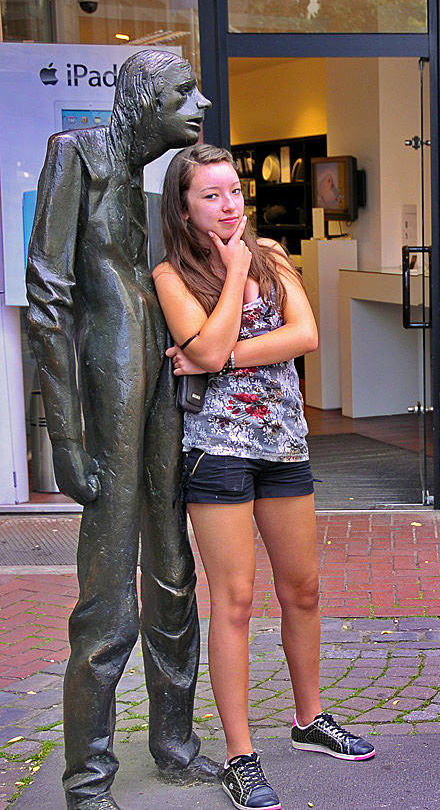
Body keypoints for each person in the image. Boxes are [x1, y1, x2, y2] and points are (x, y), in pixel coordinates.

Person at [152, 144, 374, 810]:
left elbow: (304, 335)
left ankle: (309, 720)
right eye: (211, 196)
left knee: (302, 588)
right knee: (237, 599)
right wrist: (233, 272)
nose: (229, 206)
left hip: (282, 444)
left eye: (233, 192)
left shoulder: (273, 254)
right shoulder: (170, 274)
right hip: (215, 452)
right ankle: (240, 755)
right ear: (184, 208)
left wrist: (217, 358)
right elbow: (210, 342)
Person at [25, 49, 217, 810]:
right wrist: (64, 438)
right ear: (142, 102)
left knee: (172, 567)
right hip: (108, 406)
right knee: (106, 591)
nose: (198, 103)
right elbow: (48, 301)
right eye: (181, 93)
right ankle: (87, 777)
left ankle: (174, 744)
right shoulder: (78, 156)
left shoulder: (151, 179)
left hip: (158, 392)